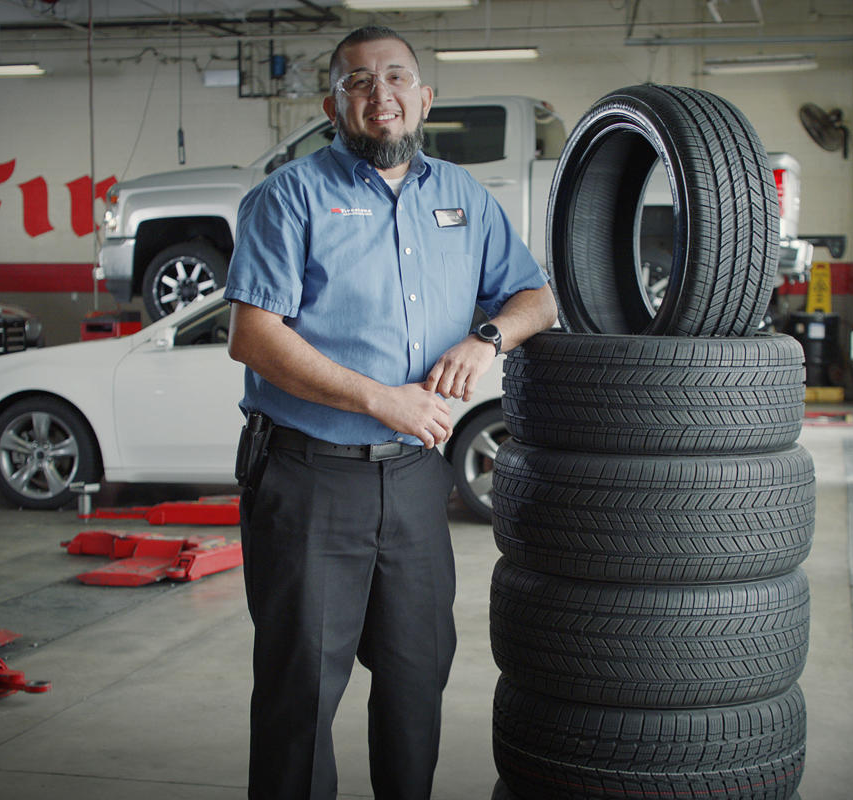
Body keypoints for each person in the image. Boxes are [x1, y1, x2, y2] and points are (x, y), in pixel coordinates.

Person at [223, 24, 558, 800]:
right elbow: (254, 336)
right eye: (360, 82)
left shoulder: (464, 199)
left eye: (397, 78)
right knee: (299, 692)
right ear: (334, 104)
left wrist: (487, 339)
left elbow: (536, 296)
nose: (383, 96)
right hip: (308, 479)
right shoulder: (289, 197)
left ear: (425, 97)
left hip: (413, 480)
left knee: (415, 677)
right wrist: (382, 399)